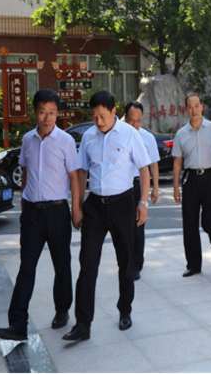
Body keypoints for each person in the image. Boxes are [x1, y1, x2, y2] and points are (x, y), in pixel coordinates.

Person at [63, 91, 150, 341]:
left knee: (126, 262)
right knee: (87, 263)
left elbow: (144, 169)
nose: (98, 121)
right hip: (95, 207)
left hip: (123, 204)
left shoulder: (130, 134)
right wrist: (77, 207)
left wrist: (143, 202)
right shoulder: (88, 137)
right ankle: (83, 324)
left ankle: (125, 310)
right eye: (94, 117)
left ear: (113, 112)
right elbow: (81, 173)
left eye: (102, 116)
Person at [0, 89, 81, 341]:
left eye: (52, 112)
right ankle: (18, 324)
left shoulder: (66, 141)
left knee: (62, 265)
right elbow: (26, 173)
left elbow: (74, 177)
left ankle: (62, 310)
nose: (47, 117)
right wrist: (24, 205)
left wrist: (76, 209)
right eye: (43, 112)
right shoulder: (28, 140)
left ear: (58, 114)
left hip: (57, 212)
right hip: (32, 214)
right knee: (26, 268)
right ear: (35, 112)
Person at [172, 93, 211, 277]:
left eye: (196, 105)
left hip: (209, 178)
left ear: (202, 107)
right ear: (186, 109)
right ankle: (194, 265)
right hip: (190, 179)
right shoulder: (181, 133)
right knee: (190, 223)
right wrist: (175, 187)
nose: (194, 109)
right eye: (190, 106)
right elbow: (177, 162)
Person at [125, 100, 160, 279]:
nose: (134, 124)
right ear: (125, 118)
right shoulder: (118, 135)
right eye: (131, 120)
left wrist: (155, 189)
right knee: (124, 228)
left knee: (138, 227)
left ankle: (136, 265)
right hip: (123, 186)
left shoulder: (147, 137)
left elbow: (153, 165)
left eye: (138, 121)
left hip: (139, 185)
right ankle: (126, 262)